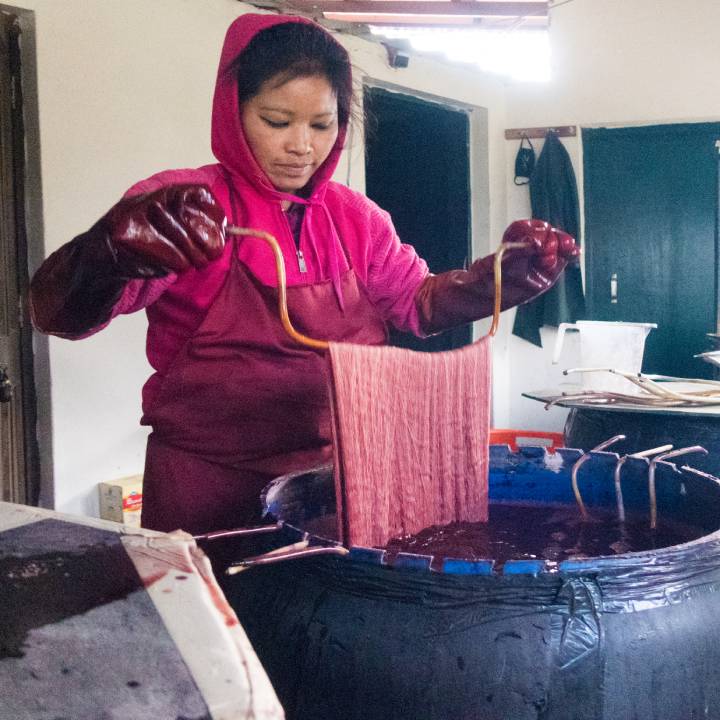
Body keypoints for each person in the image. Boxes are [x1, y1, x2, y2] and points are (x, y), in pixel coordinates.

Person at [29, 14, 579, 536]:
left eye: (322, 124)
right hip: (206, 483)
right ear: (233, 113)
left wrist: (500, 278)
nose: (302, 145)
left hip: (338, 481)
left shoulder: (356, 218)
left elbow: (417, 304)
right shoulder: (182, 206)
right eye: (277, 121)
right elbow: (58, 315)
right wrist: (104, 254)